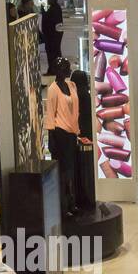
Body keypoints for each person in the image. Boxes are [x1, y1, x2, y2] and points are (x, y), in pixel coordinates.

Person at [44, 58, 86, 217]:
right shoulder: (53, 89)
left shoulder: (71, 85)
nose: (70, 70)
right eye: (67, 68)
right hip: (60, 133)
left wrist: (77, 131)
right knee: (63, 172)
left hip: (71, 133)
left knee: (71, 170)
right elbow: (50, 113)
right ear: (60, 69)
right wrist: (51, 137)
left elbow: (76, 109)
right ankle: (62, 206)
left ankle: (71, 202)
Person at [69, 69, 97, 213]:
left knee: (79, 168)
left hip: (80, 135)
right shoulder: (86, 95)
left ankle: (81, 197)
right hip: (88, 134)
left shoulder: (76, 96)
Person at [41, 0, 65, 75]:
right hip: (53, 34)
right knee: (54, 52)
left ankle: (54, 70)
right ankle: (56, 69)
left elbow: (49, 21)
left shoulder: (54, 8)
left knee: (53, 52)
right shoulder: (54, 7)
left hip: (53, 34)